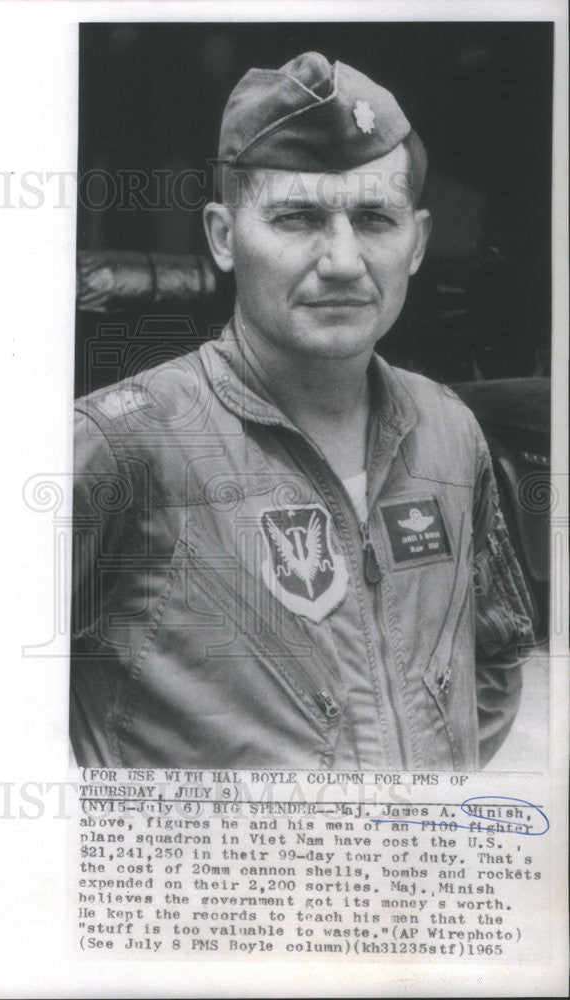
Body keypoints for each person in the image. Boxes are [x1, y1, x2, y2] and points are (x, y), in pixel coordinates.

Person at [69, 51, 534, 769]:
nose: (343, 260)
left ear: (417, 243)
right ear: (224, 237)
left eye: (375, 219)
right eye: (297, 217)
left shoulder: (449, 430)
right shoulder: (124, 443)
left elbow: (497, 652)